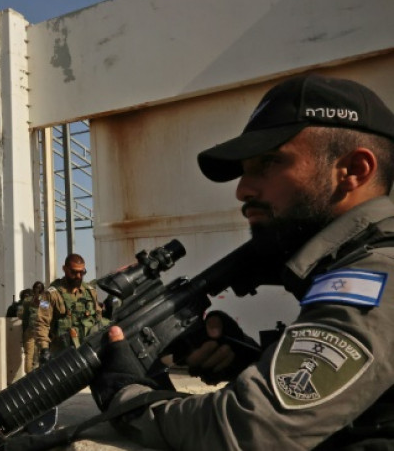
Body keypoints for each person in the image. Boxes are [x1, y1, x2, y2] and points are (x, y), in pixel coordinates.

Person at [92, 75, 394, 449]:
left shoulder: (377, 273)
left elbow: (250, 431)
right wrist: (256, 362)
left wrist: (128, 398)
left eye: (269, 163)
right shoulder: (356, 260)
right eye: (245, 170)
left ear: (353, 170)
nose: (242, 190)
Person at [35, 254, 104, 360]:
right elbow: (41, 322)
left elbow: (98, 317)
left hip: (88, 351)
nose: (78, 276)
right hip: (62, 353)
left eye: (82, 272)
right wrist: (44, 349)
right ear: (64, 269)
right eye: (74, 272)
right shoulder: (50, 295)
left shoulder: (90, 292)